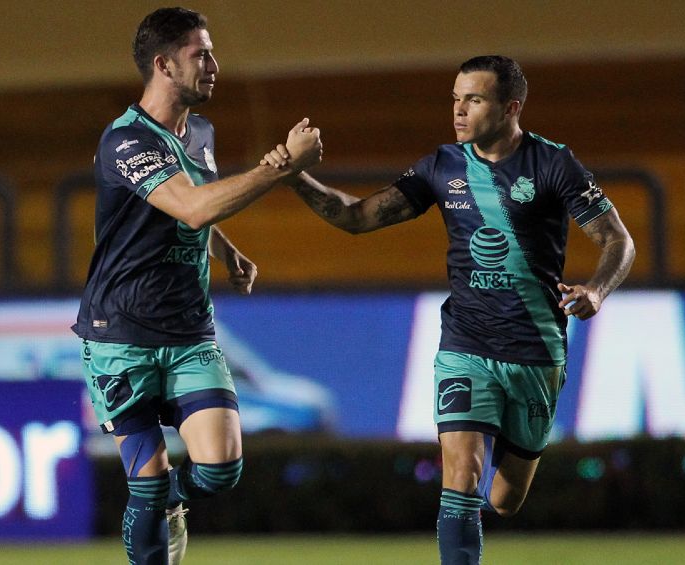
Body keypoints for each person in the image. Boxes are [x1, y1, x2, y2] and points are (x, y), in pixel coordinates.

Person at [261, 55, 634, 564]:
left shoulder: (552, 163)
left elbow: (617, 239)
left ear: (511, 107)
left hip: (536, 350)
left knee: (504, 499)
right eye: (455, 99)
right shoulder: (442, 165)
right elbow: (357, 217)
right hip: (465, 343)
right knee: (461, 476)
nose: (458, 111)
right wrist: (295, 178)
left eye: (473, 100)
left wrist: (596, 290)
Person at [73, 7, 322, 565]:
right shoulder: (126, 141)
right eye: (199, 53)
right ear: (163, 63)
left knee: (220, 468)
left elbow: (190, 207)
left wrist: (225, 247)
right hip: (120, 336)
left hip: (188, 332)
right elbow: (188, 207)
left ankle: (168, 505)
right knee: (148, 479)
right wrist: (279, 168)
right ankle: (156, 509)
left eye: (211, 52)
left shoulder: (200, 131)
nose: (213, 63)